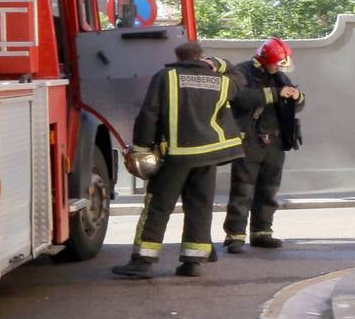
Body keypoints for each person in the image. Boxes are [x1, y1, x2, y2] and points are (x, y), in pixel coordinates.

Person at [112, 40, 244, 279]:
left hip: (175, 155)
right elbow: (240, 77)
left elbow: (149, 113)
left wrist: (142, 148)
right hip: (207, 155)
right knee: (200, 207)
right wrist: (218, 63)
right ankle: (193, 262)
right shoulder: (222, 82)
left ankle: (143, 261)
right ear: (201, 57)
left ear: (178, 56)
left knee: (158, 207)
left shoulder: (166, 77)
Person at [222, 37, 305, 252]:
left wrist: (297, 97)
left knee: (269, 190)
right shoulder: (243, 72)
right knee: (243, 189)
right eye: (276, 63)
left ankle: (262, 233)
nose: (278, 67)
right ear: (265, 58)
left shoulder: (279, 76)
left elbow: (295, 104)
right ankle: (235, 236)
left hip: (275, 142)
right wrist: (275, 94)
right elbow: (240, 98)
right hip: (250, 140)